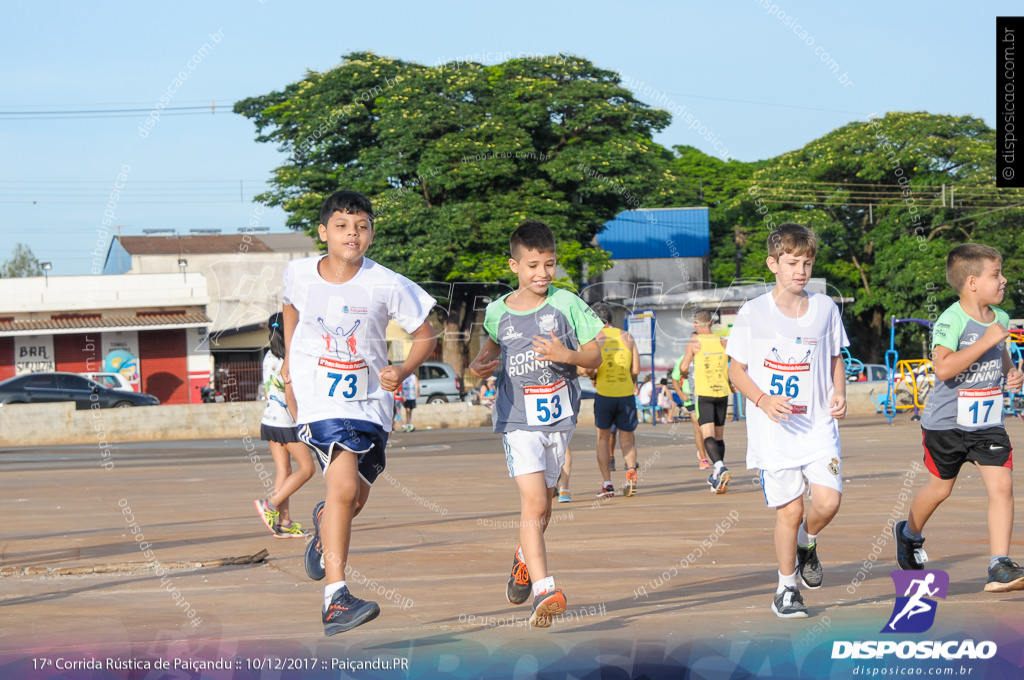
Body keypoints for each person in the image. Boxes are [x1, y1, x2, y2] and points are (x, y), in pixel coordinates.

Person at [281, 190, 437, 635]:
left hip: (371, 403)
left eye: (362, 226)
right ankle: (336, 599)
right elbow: (290, 307)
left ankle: (321, 523)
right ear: (323, 231)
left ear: (371, 232)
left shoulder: (386, 283)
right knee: (344, 487)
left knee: (353, 499)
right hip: (320, 399)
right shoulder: (297, 273)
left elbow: (426, 335)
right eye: (342, 225)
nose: (353, 233)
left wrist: (403, 369)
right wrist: (291, 361)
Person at [468, 220, 603, 628]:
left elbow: (594, 357)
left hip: (559, 419)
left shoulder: (567, 303)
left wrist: (567, 355)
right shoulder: (497, 311)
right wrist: (478, 366)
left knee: (543, 508)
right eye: (533, 265)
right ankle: (545, 589)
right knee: (535, 502)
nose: (542, 273)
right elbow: (487, 352)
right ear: (514, 265)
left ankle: (524, 558)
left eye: (549, 264)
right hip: (517, 419)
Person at [726, 223, 849, 619]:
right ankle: (786, 589)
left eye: (807, 262)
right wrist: (762, 400)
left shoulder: (826, 308)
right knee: (790, 511)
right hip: (775, 433)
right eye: (792, 262)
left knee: (828, 502)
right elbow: (736, 371)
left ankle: (807, 543)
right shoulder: (753, 313)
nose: (801, 270)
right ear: (773, 263)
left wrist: (839, 392)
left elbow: (835, 359)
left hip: (816, 428)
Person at [893, 243, 1024, 593]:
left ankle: (999, 564)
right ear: (971, 283)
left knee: (1002, 487)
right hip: (945, 423)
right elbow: (944, 367)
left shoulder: (1001, 319)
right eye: (996, 275)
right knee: (940, 489)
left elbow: (1001, 353)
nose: (1004, 280)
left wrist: (1011, 373)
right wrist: (984, 342)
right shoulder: (950, 319)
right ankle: (908, 533)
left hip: (987, 421)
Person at [254, 312, 316, 538]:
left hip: (269, 420)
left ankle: (284, 523)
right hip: (287, 422)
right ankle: (270, 504)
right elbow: (290, 397)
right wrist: (302, 423)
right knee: (308, 469)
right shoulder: (290, 359)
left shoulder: (269, 356)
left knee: (285, 470)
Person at [586, 301, 641, 498]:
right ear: (611, 318)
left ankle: (607, 484)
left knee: (602, 438)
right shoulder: (627, 336)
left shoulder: (594, 339)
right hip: (626, 395)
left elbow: (589, 369)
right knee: (627, 439)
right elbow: (635, 370)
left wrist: (593, 377)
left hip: (605, 395)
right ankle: (631, 472)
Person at [677, 311, 735, 493]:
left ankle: (719, 467)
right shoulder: (722, 341)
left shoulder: (694, 342)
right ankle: (717, 476)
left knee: (707, 434)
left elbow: (684, 366)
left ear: (695, 324)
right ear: (711, 323)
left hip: (704, 392)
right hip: (723, 392)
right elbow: (733, 363)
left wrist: (684, 375)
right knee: (719, 436)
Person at [671, 352, 710, 469]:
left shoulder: (706, 356)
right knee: (698, 426)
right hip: (691, 397)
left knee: (707, 427)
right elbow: (675, 378)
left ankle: (703, 449)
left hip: (706, 394)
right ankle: (703, 459)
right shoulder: (684, 358)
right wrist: (680, 392)